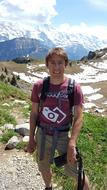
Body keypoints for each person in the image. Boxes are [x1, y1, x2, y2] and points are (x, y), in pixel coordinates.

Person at [27, 47, 90, 190]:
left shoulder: (74, 88)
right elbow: (34, 113)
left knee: (76, 172)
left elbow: (79, 116)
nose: (56, 67)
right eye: (52, 63)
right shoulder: (39, 86)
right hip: (42, 133)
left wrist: (72, 143)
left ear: (66, 64)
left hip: (63, 135)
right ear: (47, 65)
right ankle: (48, 186)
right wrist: (31, 138)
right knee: (43, 166)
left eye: (60, 63)